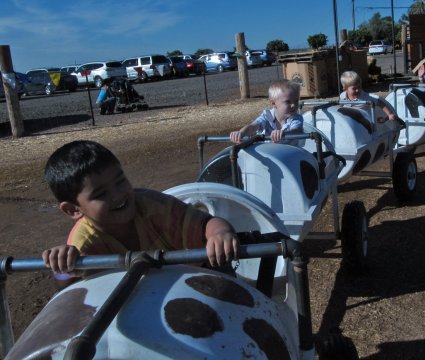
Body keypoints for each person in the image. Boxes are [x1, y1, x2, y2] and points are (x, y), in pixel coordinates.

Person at [41, 140, 239, 283]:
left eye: (120, 182)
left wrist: (220, 233)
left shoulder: (154, 206)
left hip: (196, 283)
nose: (118, 195)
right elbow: (69, 289)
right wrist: (63, 263)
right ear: (73, 210)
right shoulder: (84, 243)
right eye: (100, 193)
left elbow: (206, 223)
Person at [230, 79, 303, 144]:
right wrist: (241, 133)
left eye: (296, 101)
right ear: (273, 103)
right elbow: (253, 127)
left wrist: (283, 133)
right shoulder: (267, 116)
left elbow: (296, 131)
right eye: (288, 102)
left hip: (290, 154)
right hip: (268, 153)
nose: (293, 105)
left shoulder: (296, 118)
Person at [339, 70, 404, 127]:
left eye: (359, 87)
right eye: (354, 88)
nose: (357, 90)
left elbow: (379, 102)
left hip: (365, 123)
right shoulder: (342, 96)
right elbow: (340, 106)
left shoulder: (365, 97)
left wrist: (389, 114)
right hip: (351, 122)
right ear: (345, 89)